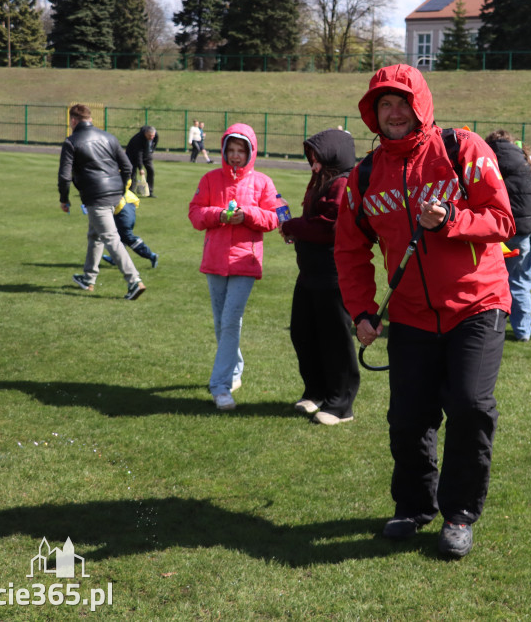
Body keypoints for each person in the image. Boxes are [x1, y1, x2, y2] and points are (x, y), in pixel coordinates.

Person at [335, 64, 514, 559]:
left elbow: (502, 220)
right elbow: (350, 249)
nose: (393, 113)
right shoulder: (364, 176)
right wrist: (362, 311)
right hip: (411, 313)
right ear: (372, 113)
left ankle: (458, 513)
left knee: (470, 405)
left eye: (401, 103)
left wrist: (453, 220)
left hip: (477, 304)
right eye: (383, 105)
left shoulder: (464, 150)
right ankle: (414, 506)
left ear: (421, 105)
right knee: (408, 418)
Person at [188, 123, 279, 410]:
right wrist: (219, 215)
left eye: (242, 150)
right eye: (232, 149)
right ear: (224, 150)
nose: (236, 155)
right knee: (221, 323)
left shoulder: (263, 182)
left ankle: (220, 386)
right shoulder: (210, 178)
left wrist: (248, 215)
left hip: (245, 261)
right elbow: (195, 214)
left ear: (251, 152)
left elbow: (274, 218)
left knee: (230, 321)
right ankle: (235, 369)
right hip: (215, 261)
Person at [280, 128, 360, 425]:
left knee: (335, 338)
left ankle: (341, 404)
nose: (312, 164)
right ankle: (316, 392)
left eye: (317, 158)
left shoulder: (342, 183)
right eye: (311, 158)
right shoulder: (322, 179)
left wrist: (293, 227)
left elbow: (328, 226)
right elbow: (313, 221)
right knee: (303, 333)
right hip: (310, 273)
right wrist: (296, 228)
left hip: (332, 274)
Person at [58, 104, 146, 301]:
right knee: (95, 235)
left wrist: (64, 199)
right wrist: (121, 189)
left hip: (96, 197)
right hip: (115, 195)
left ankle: (134, 281)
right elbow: (127, 166)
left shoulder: (71, 142)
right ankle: (88, 278)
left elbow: (64, 177)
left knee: (110, 238)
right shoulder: (109, 137)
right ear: (90, 119)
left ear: (73, 121)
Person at [485, 130, 531, 342]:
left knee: (490, 282)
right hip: (521, 228)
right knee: (520, 281)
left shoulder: (485, 156)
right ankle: (523, 330)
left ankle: (492, 328)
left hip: (493, 229)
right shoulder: (524, 158)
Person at [102, 197, 160, 270]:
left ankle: (151, 255)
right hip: (128, 208)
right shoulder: (121, 188)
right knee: (119, 237)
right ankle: (115, 259)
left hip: (123, 213)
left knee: (127, 237)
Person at [125, 125, 158, 197]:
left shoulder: (155, 135)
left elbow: (155, 141)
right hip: (132, 154)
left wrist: (151, 150)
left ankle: (150, 191)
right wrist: (140, 168)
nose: (151, 138)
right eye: (150, 136)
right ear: (145, 134)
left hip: (146, 153)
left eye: (153, 136)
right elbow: (138, 155)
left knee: (151, 170)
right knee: (133, 172)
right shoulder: (138, 139)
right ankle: (131, 191)